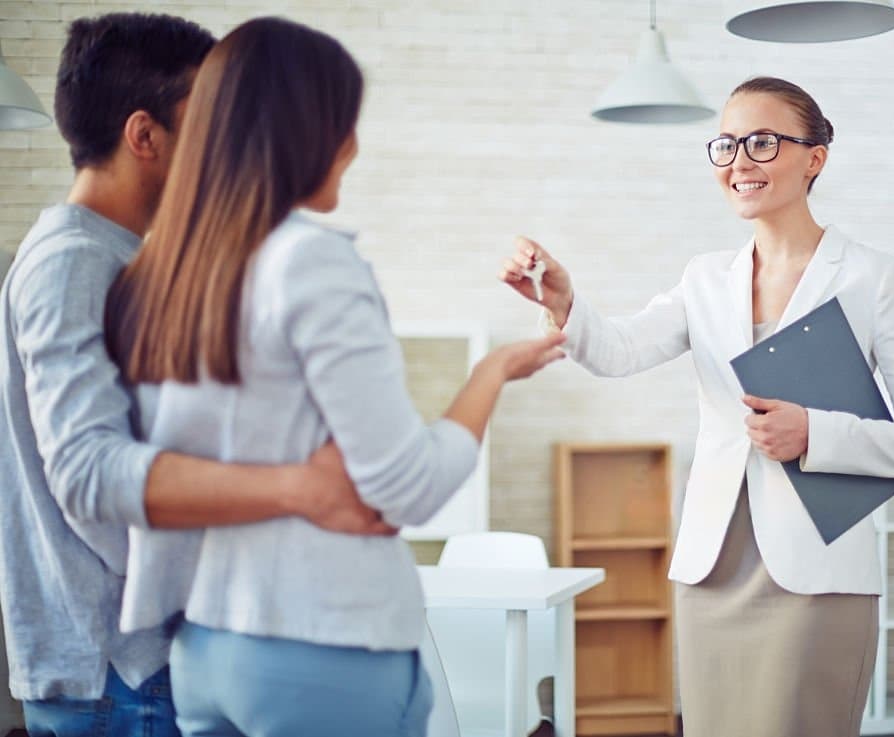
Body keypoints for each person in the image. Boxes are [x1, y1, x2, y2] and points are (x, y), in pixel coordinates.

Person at [104, 16, 565, 737]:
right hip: (321, 645)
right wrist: (493, 372)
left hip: (202, 649)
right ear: (308, 130)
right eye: (345, 123)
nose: (353, 146)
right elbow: (406, 487)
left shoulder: (155, 275)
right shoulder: (311, 262)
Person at [500, 76, 894, 737]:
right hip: (712, 570)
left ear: (815, 157)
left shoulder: (872, 276)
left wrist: (817, 433)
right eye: (726, 144)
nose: (740, 161)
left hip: (818, 575)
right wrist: (565, 301)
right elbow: (619, 351)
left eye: (763, 142)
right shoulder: (705, 277)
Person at [0, 13, 388, 737]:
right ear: (144, 136)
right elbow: (90, 475)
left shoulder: (114, 256)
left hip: (126, 668)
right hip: (124, 670)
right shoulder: (74, 262)